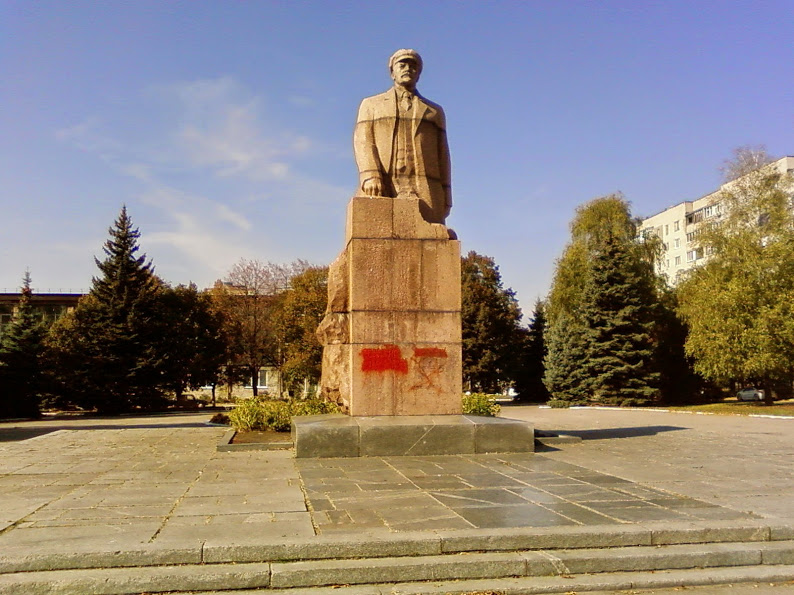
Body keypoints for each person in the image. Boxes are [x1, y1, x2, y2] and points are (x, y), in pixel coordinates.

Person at [353, 49, 452, 225]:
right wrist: (370, 175)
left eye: (413, 66)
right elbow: (363, 141)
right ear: (392, 72)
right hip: (384, 182)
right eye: (403, 64)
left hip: (424, 186)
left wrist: (446, 192)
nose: (408, 69)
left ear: (419, 73)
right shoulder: (371, 105)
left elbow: (443, 155)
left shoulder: (434, 112)